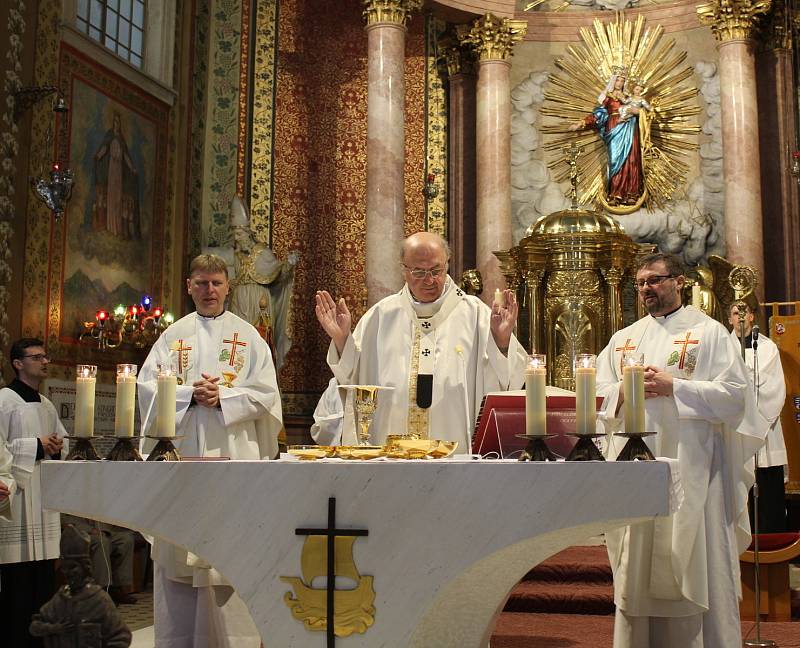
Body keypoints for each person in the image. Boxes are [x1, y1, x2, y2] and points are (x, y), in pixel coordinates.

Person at [596, 253, 766, 647]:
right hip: (634, 469)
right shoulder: (625, 339)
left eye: (654, 280)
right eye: (639, 283)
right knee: (636, 562)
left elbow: (734, 398)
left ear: (680, 282)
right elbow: (594, 398)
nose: (646, 289)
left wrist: (677, 387)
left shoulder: (709, 334)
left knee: (695, 559)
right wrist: (622, 391)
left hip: (696, 468)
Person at [138, 253, 282, 648]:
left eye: (216, 283)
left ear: (227, 286)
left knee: (232, 558)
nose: (209, 290)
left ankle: (238, 641)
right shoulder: (171, 337)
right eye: (201, 283)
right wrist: (188, 394)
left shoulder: (249, 336)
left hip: (233, 458)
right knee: (179, 557)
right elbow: (147, 390)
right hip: (183, 459)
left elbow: (268, 398)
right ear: (189, 287)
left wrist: (225, 397)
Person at [313, 232, 527, 449]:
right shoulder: (380, 316)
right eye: (419, 271)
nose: (429, 280)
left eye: (436, 270)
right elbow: (353, 382)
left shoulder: (476, 315)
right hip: (392, 458)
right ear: (403, 270)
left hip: (458, 458)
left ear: (447, 265)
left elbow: (509, 382)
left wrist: (501, 342)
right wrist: (342, 341)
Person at [0, 338, 66, 647]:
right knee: (18, 583)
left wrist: (55, 447)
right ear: (17, 363)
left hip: (43, 498)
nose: (44, 362)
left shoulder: (47, 404)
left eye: (44, 356)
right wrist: (37, 445)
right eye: (36, 357)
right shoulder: (4, 400)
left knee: (43, 580)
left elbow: (60, 443)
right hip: (16, 499)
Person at [729, 301, 788, 532]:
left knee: (767, 490)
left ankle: (772, 546)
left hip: (765, 429)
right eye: (735, 313)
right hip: (733, 429)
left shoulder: (768, 348)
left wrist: (756, 422)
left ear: (752, 316)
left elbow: (774, 388)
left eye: (743, 312)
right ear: (729, 318)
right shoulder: (722, 347)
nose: (740, 317)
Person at [29, 524, 131, 647]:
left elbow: (122, 636)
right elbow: (35, 626)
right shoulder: (61, 599)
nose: (68, 573)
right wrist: (54, 628)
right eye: (65, 568)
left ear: (85, 567)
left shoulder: (98, 600)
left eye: (73, 567)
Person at [228, 195, 298, 370]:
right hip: (238, 304)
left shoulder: (262, 253)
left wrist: (288, 265)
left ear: (247, 232)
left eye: (239, 234)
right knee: (236, 343)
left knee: (259, 345)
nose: (236, 238)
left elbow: (278, 275)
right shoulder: (234, 256)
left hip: (260, 306)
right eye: (234, 234)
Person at [571, 71, 647, 207]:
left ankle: (631, 193)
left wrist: (639, 112)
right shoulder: (608, 97)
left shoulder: (630, 97)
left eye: (622, 81)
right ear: (613, 81)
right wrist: (582, 122)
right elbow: (598, 114)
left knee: (631, 159)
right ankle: (615, 193)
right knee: (615, 159)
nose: (620, 83)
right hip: (614, 127)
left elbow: (644, 111)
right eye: (617, 80)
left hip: (629, 128)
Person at [60, 516, 138, 605]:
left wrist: (104, 530)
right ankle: (102, 590)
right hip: (79, 533)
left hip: (101, 530)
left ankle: (117, 588)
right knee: (101, 542)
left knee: (126, 539)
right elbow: (64, 519)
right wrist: (90, 530)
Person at [90, 112, 140, 239]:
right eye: (115, 122)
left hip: (119, 171)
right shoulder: (110, 136)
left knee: (117, 197)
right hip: (112, 168)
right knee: (111, 195)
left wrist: (132, 168)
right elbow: (104, 149)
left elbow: (126, 157)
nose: (116, 124)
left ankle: (117, 228)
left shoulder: (121, 140)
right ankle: (110, 226)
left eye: (118, 122)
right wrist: (98, 156)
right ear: (113, 123)